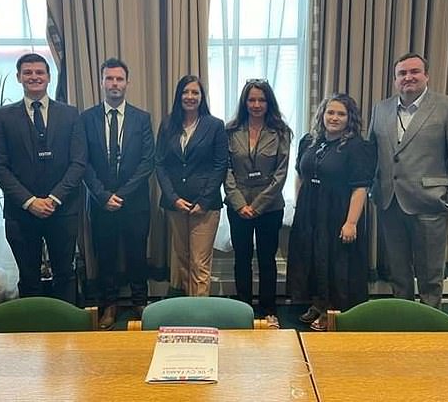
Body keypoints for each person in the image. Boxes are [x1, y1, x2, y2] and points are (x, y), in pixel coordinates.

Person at [368, 53, 448, 308]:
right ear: (395, 80)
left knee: (430, 277)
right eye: (402, 73)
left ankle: (431, 331)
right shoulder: (381, 109)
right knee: (398, 274)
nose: (408, 77)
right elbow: (371, 153)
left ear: (426, 75)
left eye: (414, 71)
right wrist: (374, 191)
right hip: (389, 203)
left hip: (431, 205)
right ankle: (404, 323)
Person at [0, 53, 86, 304]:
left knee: (65, 275)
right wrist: (30, 201)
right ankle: (32, 336)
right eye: (28, 72)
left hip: (63, 210)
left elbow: (78, 162)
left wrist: (54, 198)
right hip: (21, 213)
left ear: (49, 77)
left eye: (39, 72)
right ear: (19, 77)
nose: (34, 77)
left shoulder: (70, 114)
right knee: (29, 278)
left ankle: (67, 335)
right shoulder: (3, 117)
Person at [287, 94, 376, 331]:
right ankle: (318, 303)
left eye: (341, 114)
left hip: (339, 212)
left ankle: (334, 311)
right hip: (310, 210)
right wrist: (300, 206)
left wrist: (351, 222)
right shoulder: (309, 140)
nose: (334, 118)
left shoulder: (357, 146)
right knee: (312, 258)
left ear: (350, 118)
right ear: (322, 114)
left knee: (336, 263)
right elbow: (299, 174)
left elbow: (360, 188)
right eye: (330, 112)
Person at [81, 58, 154, 329]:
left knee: (137, 253)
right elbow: (83, 162)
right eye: (109, 78)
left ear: (127, 83)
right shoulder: (87, 118)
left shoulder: (142, 118)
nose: (114, 84)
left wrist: (121, 194)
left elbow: (148, 161)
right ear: (101, 82)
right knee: (106, 255)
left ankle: (139, 301)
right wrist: (102, 196)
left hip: (134, 202)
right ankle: (109, 305)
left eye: (119, 79)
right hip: (100, 203)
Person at [224, 79, 292, 328]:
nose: (256, 104)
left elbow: (281, 174)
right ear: (244, 102)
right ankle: (243, 309)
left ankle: (268, 310)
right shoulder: (230, 131)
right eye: (251, 99)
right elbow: (226, 170)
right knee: (241, 258)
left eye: (261, 100)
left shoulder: (281, 132)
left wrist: (258, 205)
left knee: (266, 260)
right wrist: (240, 204)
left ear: (268, 102)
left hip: (270, 207)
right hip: (237, 205)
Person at [155, 75, 228, 296]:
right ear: (179, 96)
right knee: (183, 260)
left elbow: (220, 165)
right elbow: (159, 163)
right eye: (186, 92)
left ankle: (201, 316)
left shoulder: (215, 125)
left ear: (202, 97)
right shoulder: (168, 124)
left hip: (205, 207)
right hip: (175, 205)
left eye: (195, 92)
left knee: (199, 263)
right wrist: (173, 197)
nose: (190, 97)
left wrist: (204, 201)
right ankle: (187, 310)